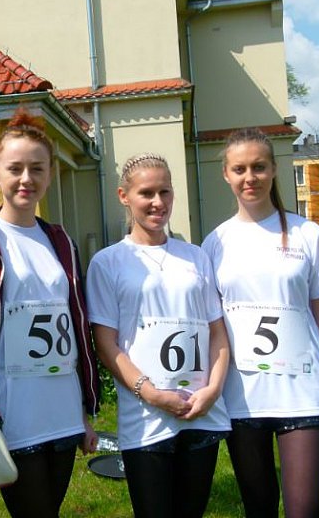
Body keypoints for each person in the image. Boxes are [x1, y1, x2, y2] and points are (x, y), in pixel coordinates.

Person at [0, 109, 100, 518]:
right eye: (15, 168)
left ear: (50, 174)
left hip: (62, 410)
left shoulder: (60, 241)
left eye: (37, 168)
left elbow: (75, 328)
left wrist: (84, 410)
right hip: (11, 413)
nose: (26, 178)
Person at [202, 127, 319, 518]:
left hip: (301, 395)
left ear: (274, 169)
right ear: (226, 175)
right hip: (243, 398)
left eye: (259, 167)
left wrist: (304, 364)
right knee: (259, 508)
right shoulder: (215, 243)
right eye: (239, 169)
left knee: (305, 511)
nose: (250, 177)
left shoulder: (308, 235)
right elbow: (213, 327)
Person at [85, 153, 231, 518]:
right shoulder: (108, 262)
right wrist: (150, 393)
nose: (158, 202)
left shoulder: (196, 257)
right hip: (145, 418)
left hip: (200, 412)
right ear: (124, 196)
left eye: (165, 192)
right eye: (146, 193)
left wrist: (213, 390)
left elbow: (217, 332)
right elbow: (105, 343)